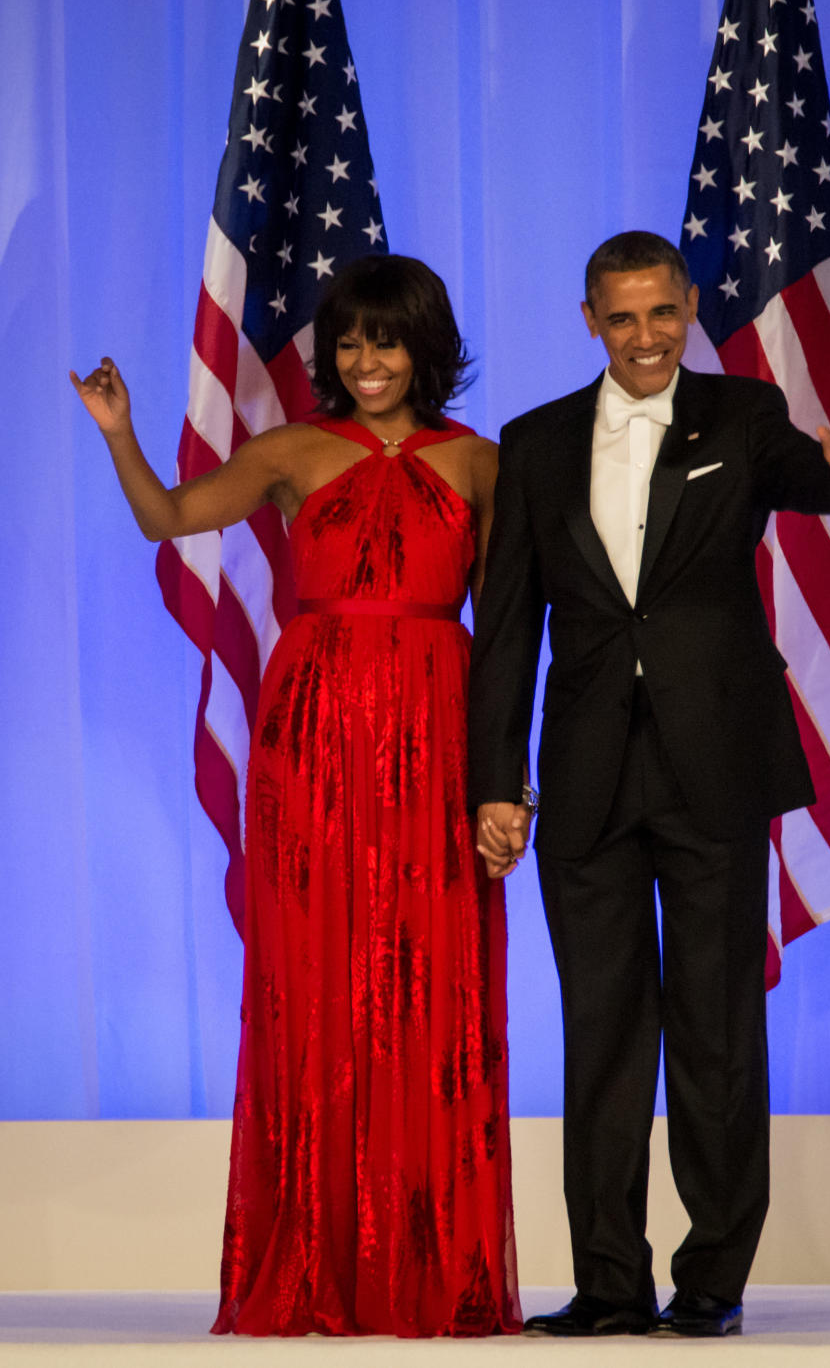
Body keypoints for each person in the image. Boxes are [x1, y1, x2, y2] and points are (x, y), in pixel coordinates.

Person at [71, 254, 521, 1338]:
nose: (368, 362)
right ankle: (314, 1258)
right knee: (313, 982)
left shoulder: (484, 464)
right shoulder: (288, 449)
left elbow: (509, 636)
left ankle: (430, 1264)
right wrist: (120, 433)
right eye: (352, 341)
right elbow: (169, 518)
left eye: (389, 340)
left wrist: (508, 783)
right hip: (312, 744)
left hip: (438, 736)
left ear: (427, 345)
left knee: (431, 984)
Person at [467, 230, 830, 1338]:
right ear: (589, 319)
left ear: (689, 305)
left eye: (663, 313)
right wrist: (494, 782)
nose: (647, 335)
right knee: (601, 1032)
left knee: (714, 1030)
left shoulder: (742, 417)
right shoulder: (537, 443)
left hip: (714, 768)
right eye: (624, 317)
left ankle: (711, 1282)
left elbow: (817, 480)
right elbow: (508, 632)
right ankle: (608, 1282)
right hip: (586, 781)